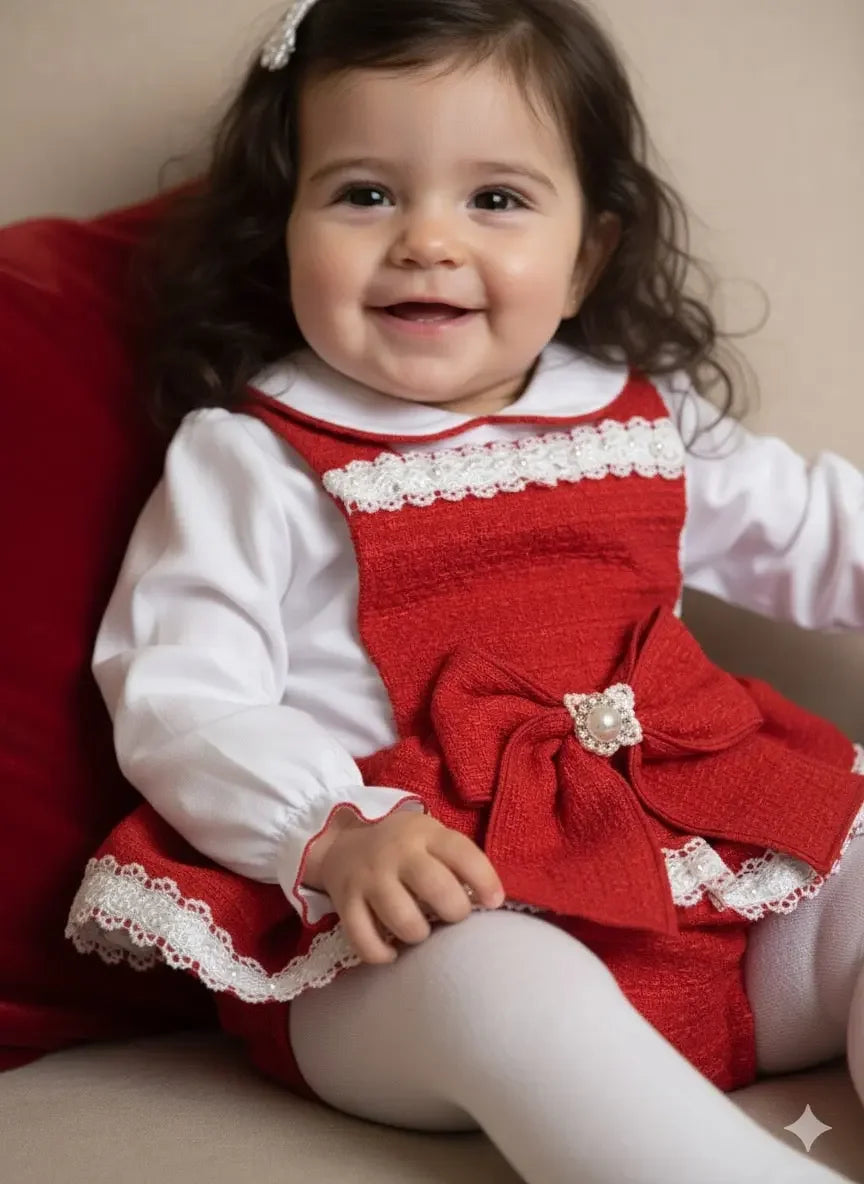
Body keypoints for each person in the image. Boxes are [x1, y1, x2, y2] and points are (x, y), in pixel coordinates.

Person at [65, 1, 864, 1180]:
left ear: (587, 250)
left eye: (494, 198)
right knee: (499, 982)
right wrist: (329, 833)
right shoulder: (256, 455)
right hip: (410, 930)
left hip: (704, 894)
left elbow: (824, 533)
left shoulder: (644, 423)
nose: (427, 240)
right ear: (282, 231)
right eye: (364, 193)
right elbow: (182, 693)